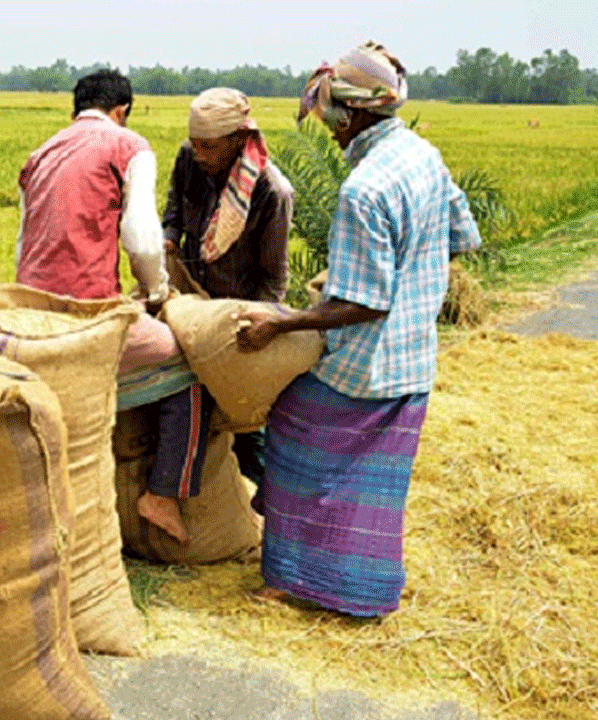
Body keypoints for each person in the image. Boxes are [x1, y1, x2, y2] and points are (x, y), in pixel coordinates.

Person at [235, 41, 482, 616]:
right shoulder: (423, 155)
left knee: (291, 433)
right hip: (413, 356)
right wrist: (400, 270)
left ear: (360, 113)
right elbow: (460, 234)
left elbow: (365, 305)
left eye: (334, 120)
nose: (331, 131)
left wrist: (282, 321)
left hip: (365, 365)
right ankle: (358, 588)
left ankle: (292, 579)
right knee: (373, 482)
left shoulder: (363, 189)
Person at [17, 69, 209, 543]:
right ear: (122, 111)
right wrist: (159, 291)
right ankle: (163, 494)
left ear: (74, 110)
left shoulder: (38, 154)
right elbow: (142, 238)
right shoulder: (128, 146)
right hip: (87, 315)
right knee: (191, 365)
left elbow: (25, 241)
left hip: (31, 312)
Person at [162, 87, 294, 506]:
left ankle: (273, 498)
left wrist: (256, 327)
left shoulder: (271, 192)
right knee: (185, 396)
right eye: (195, 145)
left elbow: (274, 279)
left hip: (235, 311)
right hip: (190, 297)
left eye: (209, 148)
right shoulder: (189, 159)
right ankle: (200, 490)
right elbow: (173, 215)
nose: (199, 155)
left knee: (242, 415)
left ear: (239, 140)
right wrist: (166, 240)